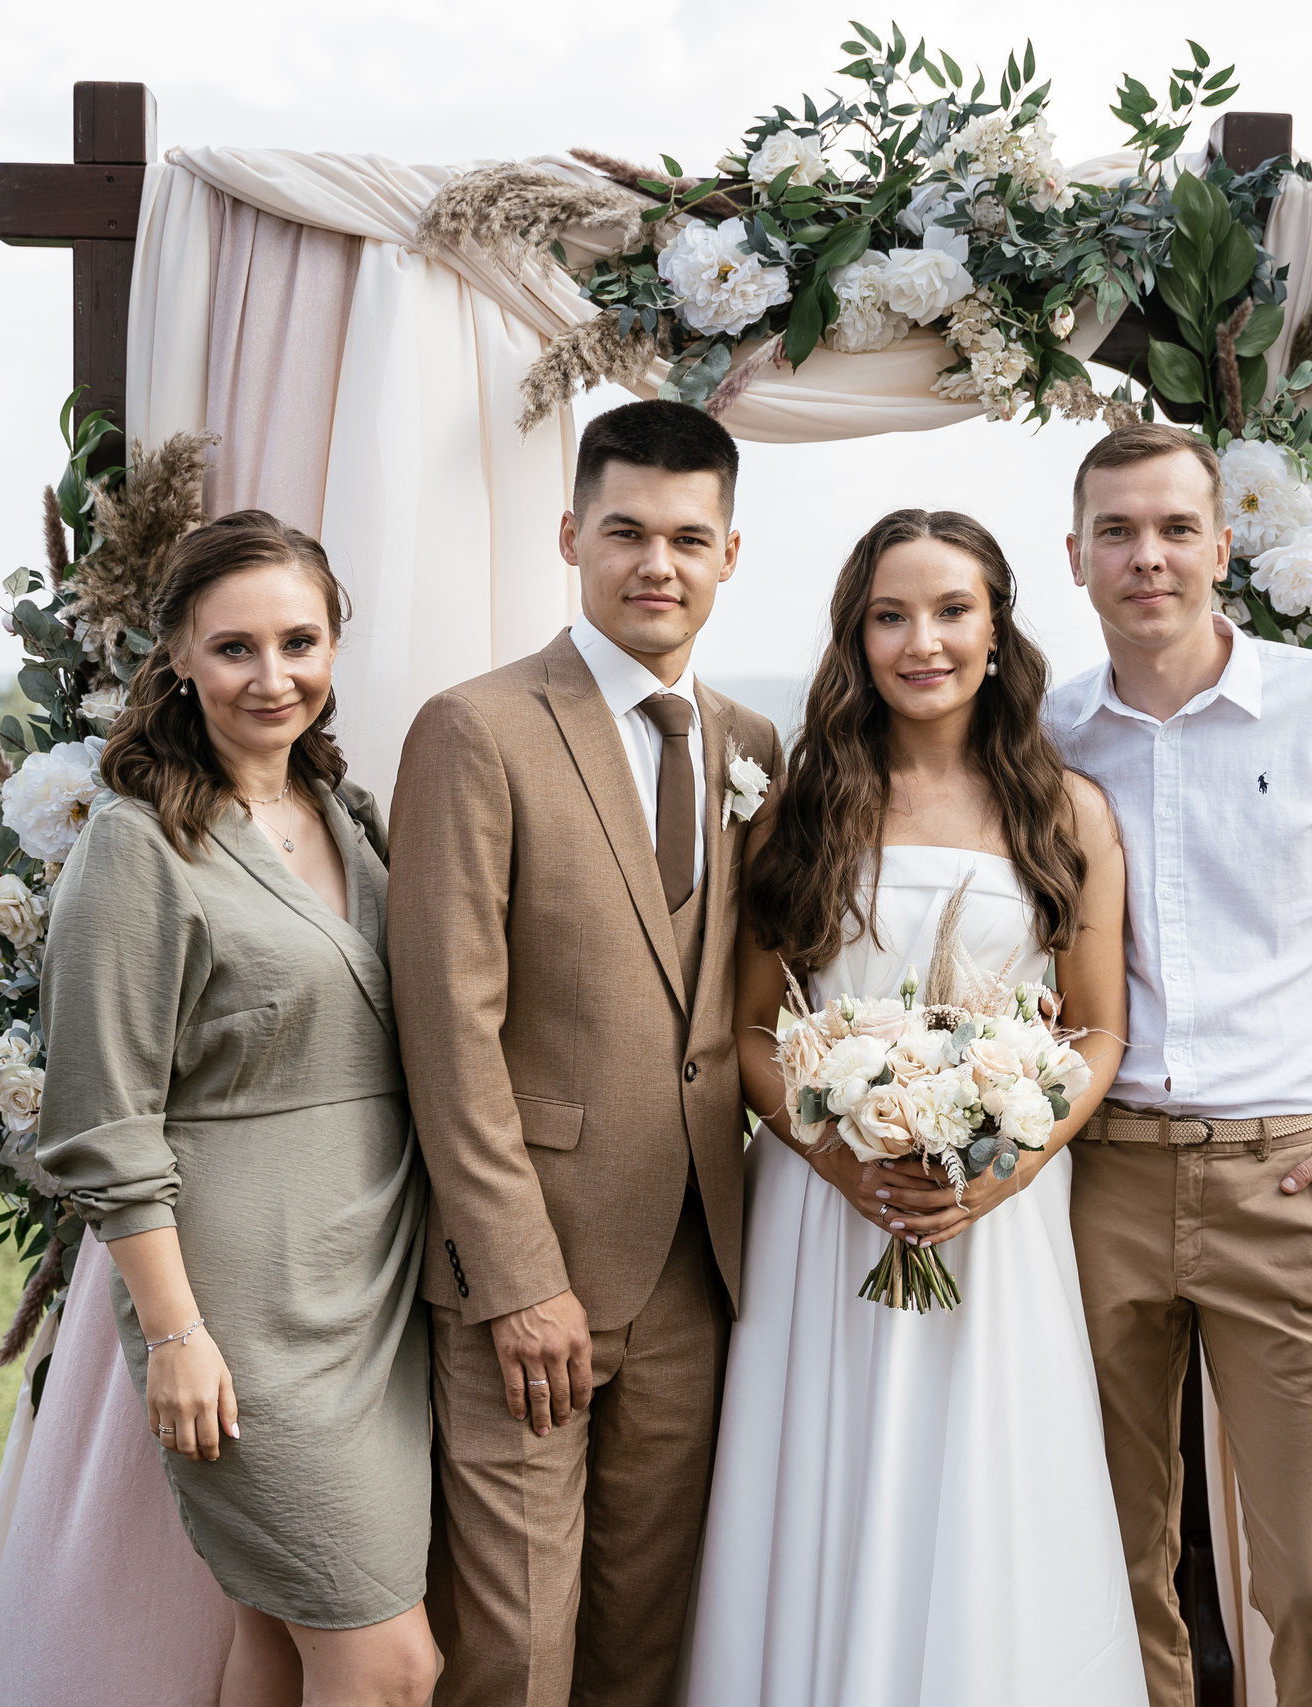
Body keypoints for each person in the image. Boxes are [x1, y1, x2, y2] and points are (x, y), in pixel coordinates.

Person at [1044, 423, 1312, 1707]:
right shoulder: (1048, 730)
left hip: (1282, 1185)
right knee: (1108, 1565)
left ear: (1223, 548)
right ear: (1075, 556)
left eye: (1175, 528)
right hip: (1095, 1184)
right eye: (1117, 532)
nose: (1148, 557)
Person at [680, 508, 1144, 1705]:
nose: (920, 641)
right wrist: (842, 1162)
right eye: (890, 616)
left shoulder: (1068, 812)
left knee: (988, 1489)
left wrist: (1010, 1165)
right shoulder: (798, 807)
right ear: (857, 636)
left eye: (949, 612)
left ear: (996, 630)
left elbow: (1097, 1030)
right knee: (820, 1480)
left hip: (998, 1217)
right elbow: (749, 1029)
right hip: (823, 1212)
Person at [389, 401, 784, 1707]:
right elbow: (446, 1026)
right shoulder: (477, 727)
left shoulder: (751, 746)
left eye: (688, 538)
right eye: (625, 532)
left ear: (730, 554)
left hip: (697, 1268)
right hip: (530, 1269)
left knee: (645, 1641)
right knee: (513, 1649)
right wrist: (515, 1279)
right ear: (571, 537)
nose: (655, 563)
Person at [35, 509, 437, 1707]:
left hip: (374, 1278)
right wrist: (176, 1335)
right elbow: (101, 1118)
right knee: (391, 1668)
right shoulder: (136, 846)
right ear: (176, 657)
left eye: (299, 643)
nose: (273, 677)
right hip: (243, 1307)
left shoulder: (350, 814)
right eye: (234, 648)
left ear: (333, 646)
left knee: (277, 1637)